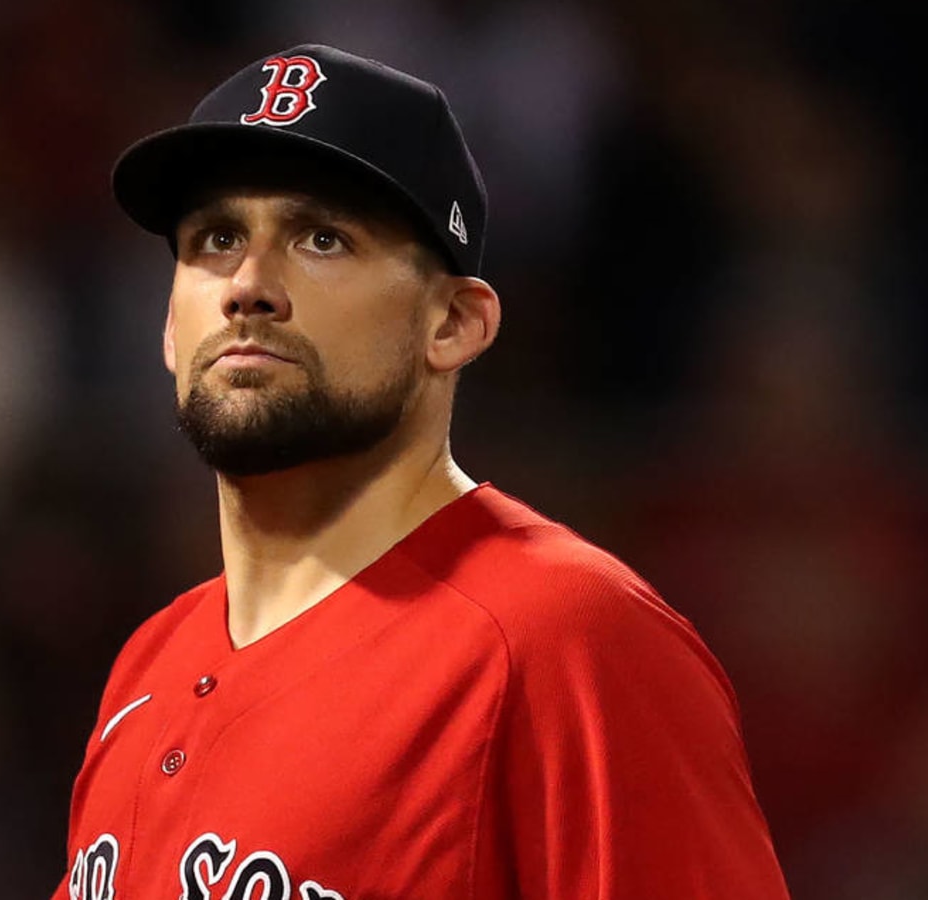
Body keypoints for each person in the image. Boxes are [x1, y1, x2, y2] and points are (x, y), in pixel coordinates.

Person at [54, 44, 790, 900]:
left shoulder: (565, 638)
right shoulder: (148, 665)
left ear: (453, 323)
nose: (249, 284)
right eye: (217, 238)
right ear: (172, 330)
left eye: (321, 238)